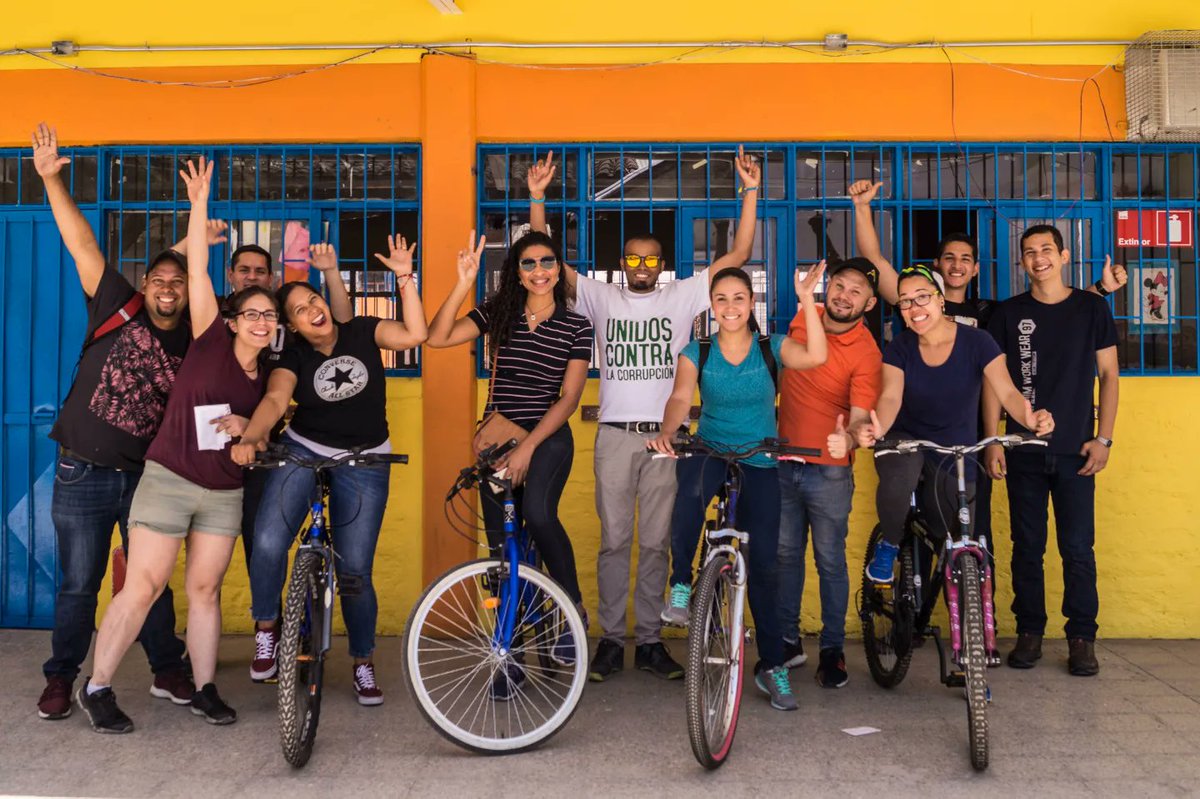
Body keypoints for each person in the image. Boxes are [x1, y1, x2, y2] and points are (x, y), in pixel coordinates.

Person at [850, 179, 1124, 660]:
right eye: (909, 300)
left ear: (973, 270)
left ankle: (997, 640)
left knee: (987, 539)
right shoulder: (911, 319)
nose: (916, 306)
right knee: (1006, 539)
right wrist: (862, 209)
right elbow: (879, 270)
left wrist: (1100, 290)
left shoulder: (987, 317)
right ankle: (915, 589)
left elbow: (1015, 371)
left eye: (965, 259)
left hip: (984, 441)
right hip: (939, 438)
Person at [526, 148, 762, 682]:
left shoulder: (681, 297)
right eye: (633, 258)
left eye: (651, 259)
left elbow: (739, 252)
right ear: (623, 261)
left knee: (656, 542)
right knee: (614, 542)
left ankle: (651, 641)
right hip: (613, 436)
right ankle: (612, 639)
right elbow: (544, 261)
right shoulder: (599, 297)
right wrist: (538, 199)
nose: (641, 266)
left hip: (666, 441)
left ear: (662, 264)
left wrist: (749, 191)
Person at [76, 157, 278, 732]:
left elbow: (268, 414)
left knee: (206, 590)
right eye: (254, 314)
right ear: (234, 319)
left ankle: (207, 687)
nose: (262, 322)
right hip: (168, 480)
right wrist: (198, 205)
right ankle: (98, 685)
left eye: (270, 316)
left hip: (222, 493)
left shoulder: (268, 374)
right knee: (142, 587)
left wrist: (251, 432)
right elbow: (197, 269)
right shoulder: (210, 334)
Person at [31, 123, 194, 722]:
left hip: (150, 479)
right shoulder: (117, 304)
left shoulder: (198, 342)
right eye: (160, 281)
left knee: (150, 581)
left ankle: (167, 668)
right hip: (82, 471)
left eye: (178, 282)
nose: (168, 289)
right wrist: (51, 178)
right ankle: (61, 678)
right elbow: (81, 244)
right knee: (79, 583)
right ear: (145, 285)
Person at [232, 234, 426, 704]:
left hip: (365, 460)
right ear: (293, 327)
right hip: (304, 449)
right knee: (268, 539)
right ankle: (267, 627)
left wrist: (405, 278)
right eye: (298, 310)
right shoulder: (293, 355)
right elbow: (277, 399)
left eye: (313, 300)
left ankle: (362, 662)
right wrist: (253, 437)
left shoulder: (362, 330)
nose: (311, 310)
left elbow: (415, 334)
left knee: (355, 571)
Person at [650, 264, 829, 712]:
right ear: (712, 307)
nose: (730, 307)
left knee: (766, 566)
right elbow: (679, 398)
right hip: (711, 446)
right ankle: (680, 585)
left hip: (761, 457)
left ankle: (773, 667)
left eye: (739, 298)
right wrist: (670, 431)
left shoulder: (771, 348)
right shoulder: (699, 350)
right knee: (689, 494)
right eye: (722, 299)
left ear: (752, 304)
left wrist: (808, 298)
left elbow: (817, 357)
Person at [426, 230, 593, 699]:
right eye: (528, 264)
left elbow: (569, 398)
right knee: (502, 556)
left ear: (558, 269)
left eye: (547, 262)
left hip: (548, 439)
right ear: (515, 273)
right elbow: (436, 339)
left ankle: (570, 611)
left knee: (539, 516)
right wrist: (463, 282)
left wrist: (527, 448)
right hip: (497, 443)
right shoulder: (498, 315)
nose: (539, 271)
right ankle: (510, 657)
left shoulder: (577, 325)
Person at [854, 265, 1054, 589]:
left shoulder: (978, 342)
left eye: (922, 298)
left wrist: (1029, 419)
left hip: (955, 444)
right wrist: (878, 430)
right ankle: (890, 544)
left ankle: (966, 619)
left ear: (941, 298)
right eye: (905, 302)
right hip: (903, 436)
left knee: (950, 530)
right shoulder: (899, 349)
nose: (914, 308)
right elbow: (890, 397)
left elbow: (1006, 391)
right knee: (898, 479)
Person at [983, 224, 1119, 677]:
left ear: (1064, 257)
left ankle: (1082, 637)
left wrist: (1104, 439)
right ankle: (1030, 632)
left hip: (1076, 450)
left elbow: (1110, 377)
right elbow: (993, 383)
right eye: (1028, 252)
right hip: (1021, 451)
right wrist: (993, 441)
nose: (1038, 258)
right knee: (1027, 546)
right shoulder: (1006, 314)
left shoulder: (1091, 308)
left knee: (1078, 548)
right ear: (1021, 262)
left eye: (1046, 250)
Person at [775, 257, 883, 689]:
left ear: (870, 303)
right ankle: (787, 641)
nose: (844, 295)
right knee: (784, 559)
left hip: (830, 473)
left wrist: (852, 440)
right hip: (783, 463)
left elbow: (860, 419)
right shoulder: (805, 317)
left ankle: (833, 650)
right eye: (840, 285)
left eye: (856, 290)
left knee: (830, 561)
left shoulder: (868, 351)